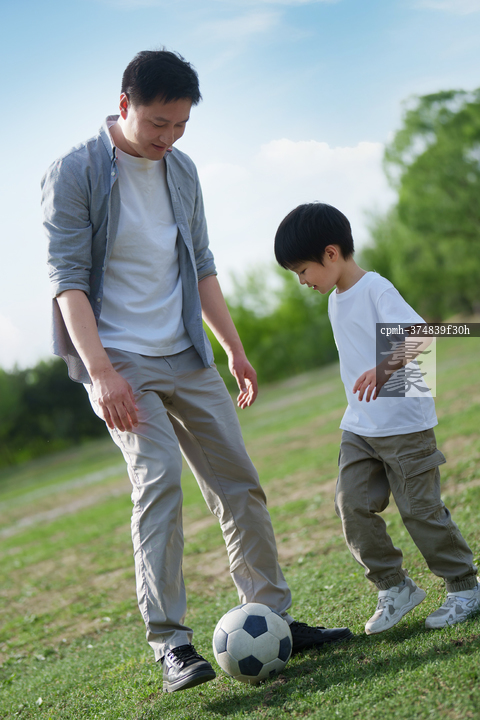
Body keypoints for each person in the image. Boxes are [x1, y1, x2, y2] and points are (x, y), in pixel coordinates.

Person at [41, 52, 352, 693]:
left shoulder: (181, 170)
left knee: (240, 484)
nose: (169, 137)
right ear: (124, 104)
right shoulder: (75, 172)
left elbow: (201, 266)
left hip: (186, 352)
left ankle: (272, 617)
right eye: (158, 123)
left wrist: (232, 348)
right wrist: (101, 372)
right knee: (158, 482)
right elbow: (68, 281)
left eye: (181, 124)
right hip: (119, 360)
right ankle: (171, 645)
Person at [274, 202, 479, 636]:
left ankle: (464, 587)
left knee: (420, 511)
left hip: (403, 423)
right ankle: (394, 586)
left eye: (302, 270)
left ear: (331, 254)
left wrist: (384, 369)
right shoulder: (335, 302)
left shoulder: (376, 289)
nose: (302, 281)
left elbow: (422, 334)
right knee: (350, 504)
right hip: (360, 425)